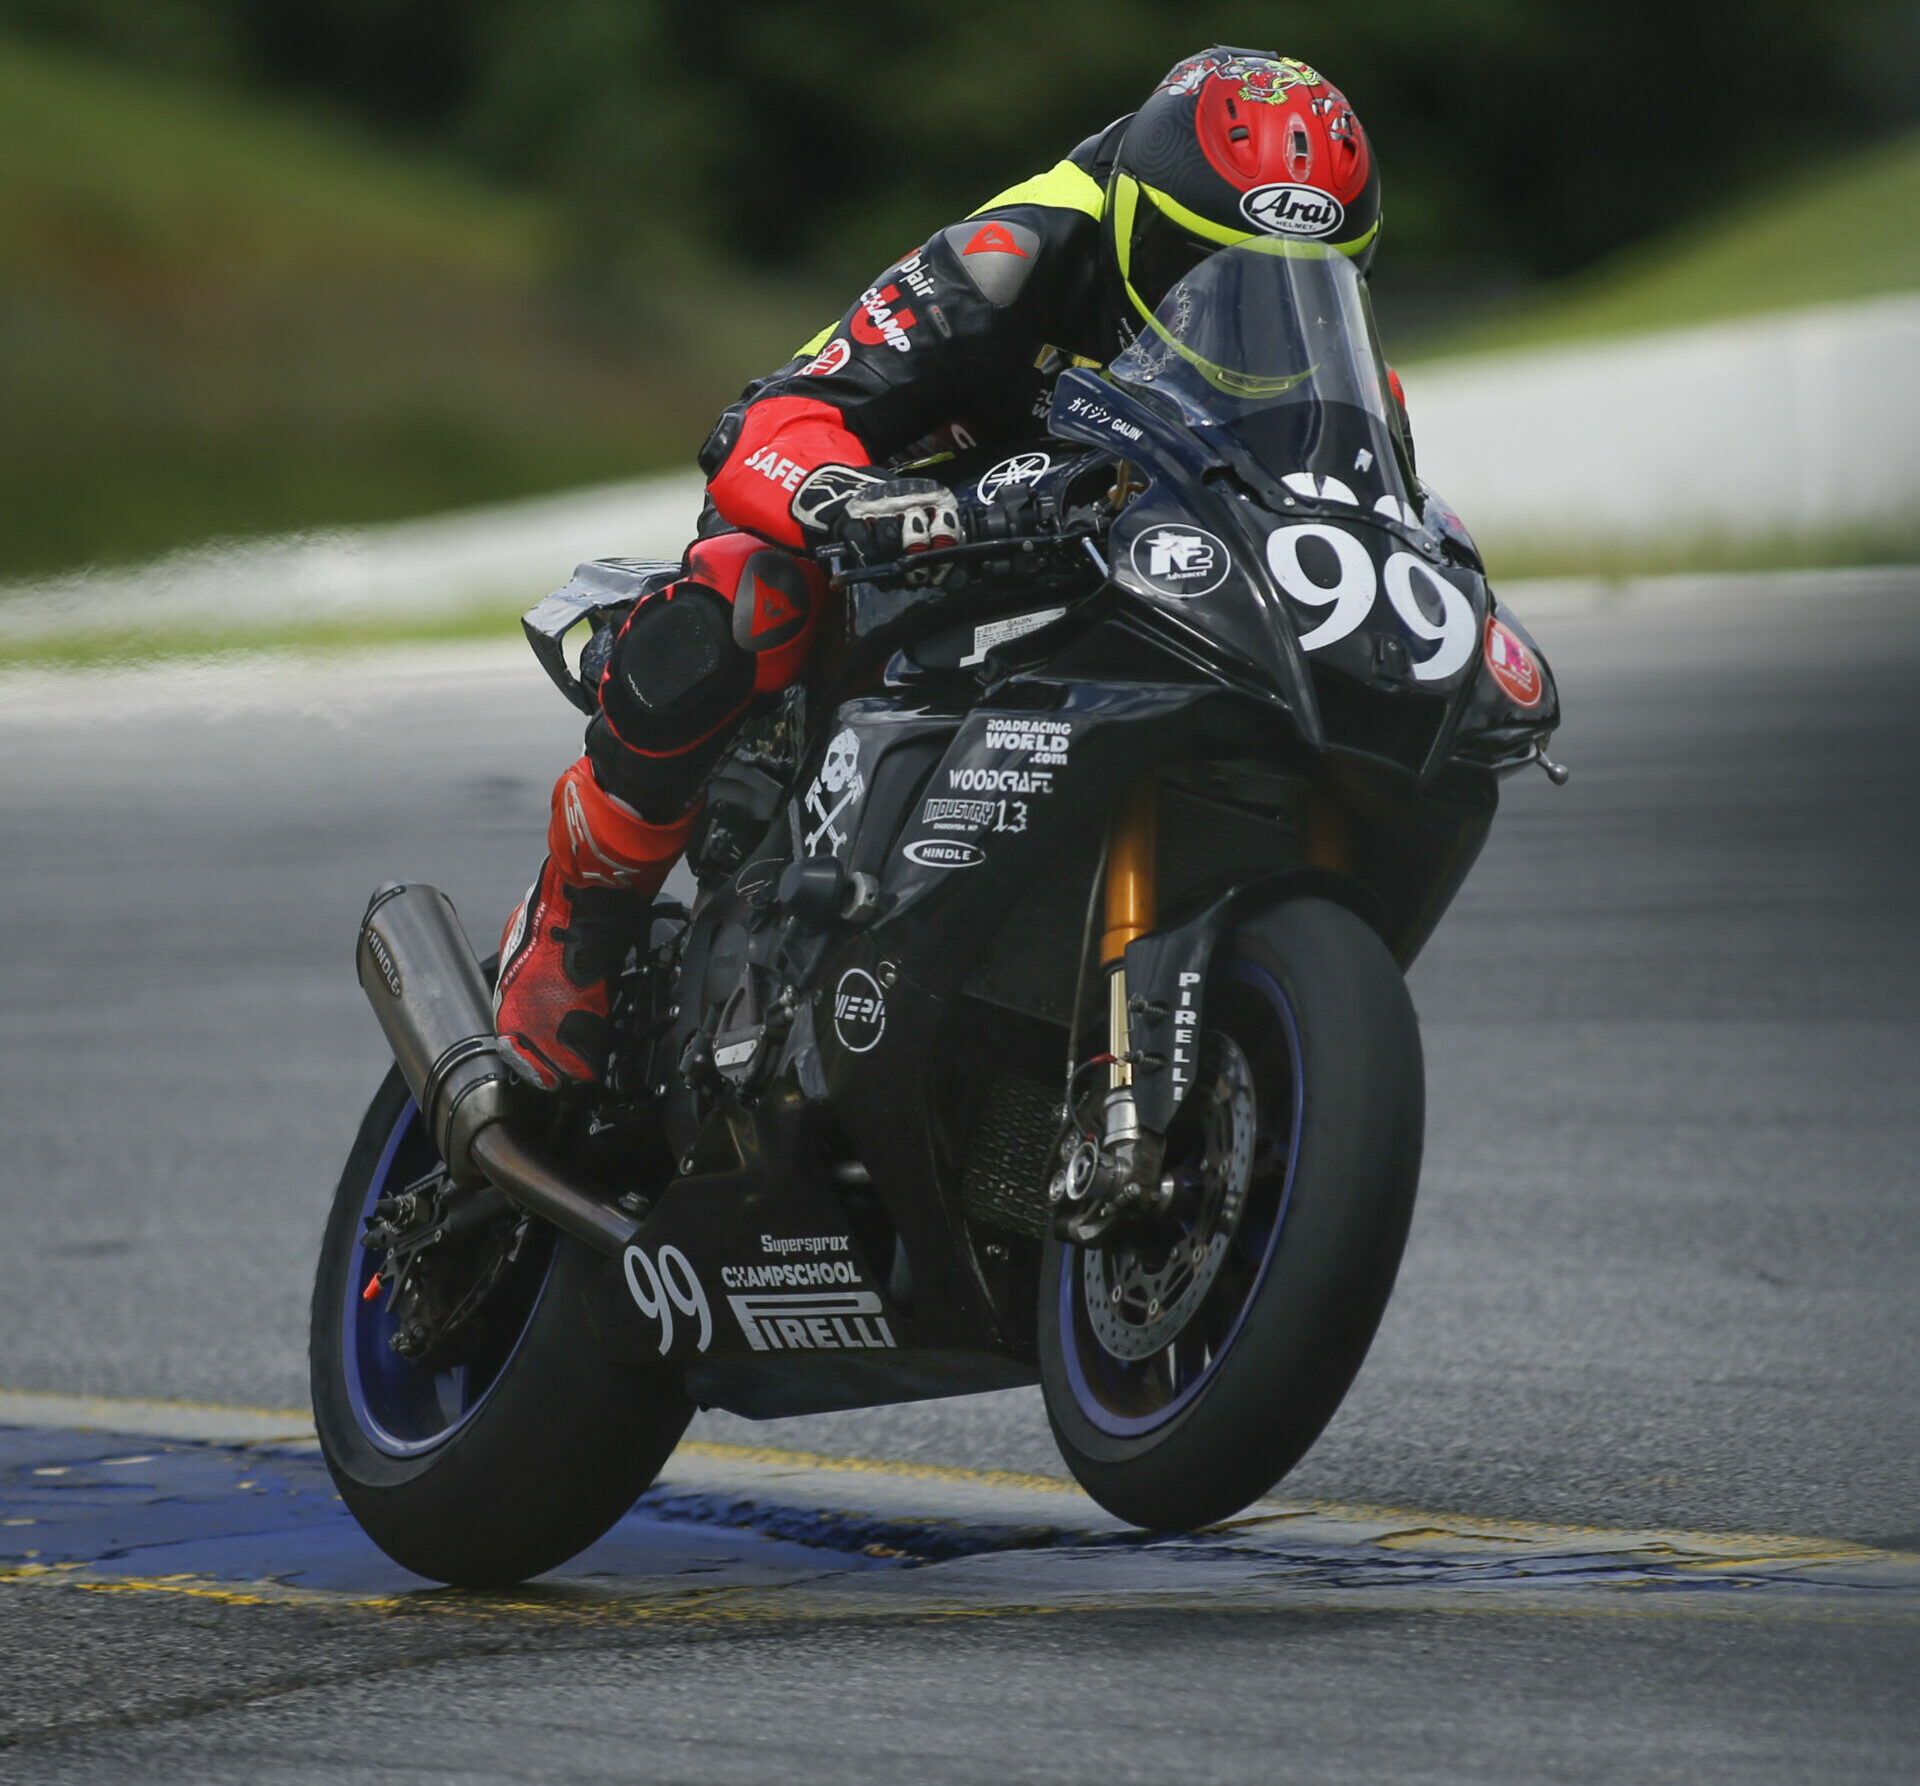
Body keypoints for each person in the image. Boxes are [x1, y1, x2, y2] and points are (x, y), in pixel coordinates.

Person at [493, 45, 1384, 1091]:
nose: (1249, 318)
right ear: (1139, 224)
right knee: (747, 596)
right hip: (910, 536)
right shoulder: (1014, 252)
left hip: (1114, 576)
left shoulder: (1331, 364)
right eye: (1209, 272)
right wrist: (858, 504)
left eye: (1294, 287)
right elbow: (774, 419)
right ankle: (573, 930)